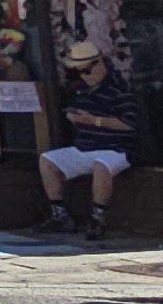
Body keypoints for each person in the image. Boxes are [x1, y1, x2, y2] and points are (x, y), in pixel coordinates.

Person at [39, 38, 135, 240]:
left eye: (87, 70)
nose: (84, 76)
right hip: (85, 148)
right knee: (48, 160)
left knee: (102, 165)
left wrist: (94, 121)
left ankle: (98, 218)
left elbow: (129, 123)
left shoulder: (119, 90)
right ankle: (60, 215)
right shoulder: (83, 92)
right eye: (79, 72)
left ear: (99, 65)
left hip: (115, 148)